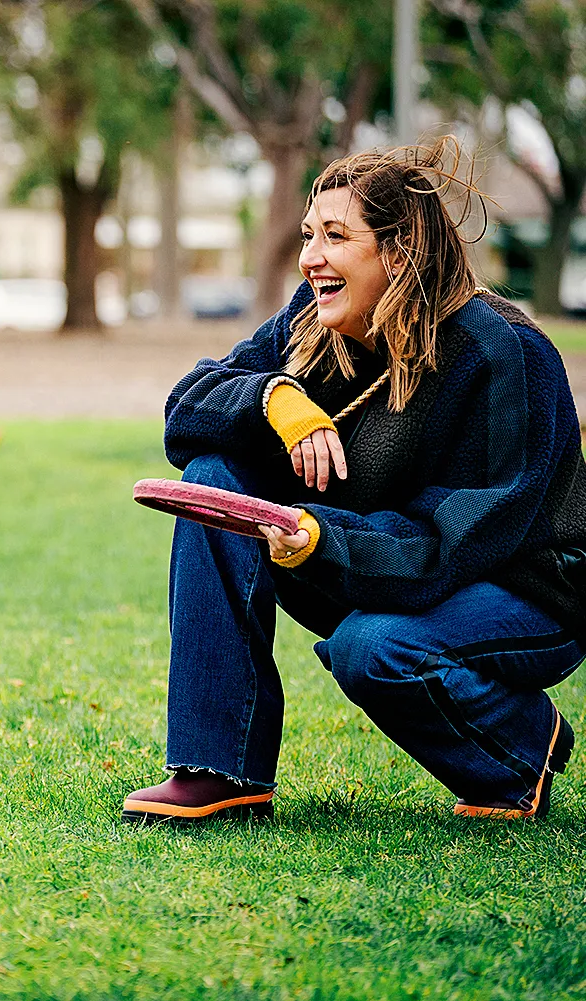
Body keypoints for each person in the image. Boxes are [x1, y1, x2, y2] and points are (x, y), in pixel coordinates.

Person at [122, 138, 586, 825]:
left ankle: (520, 749)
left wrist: (318, 536)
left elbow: (453, 543)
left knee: (372, 646)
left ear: (398, 253)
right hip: (377, 560)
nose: (311, 257)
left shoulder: (505, 352)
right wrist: (276, 399)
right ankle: (218, 770)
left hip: (526, 589)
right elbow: (187, 410)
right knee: (215, 478)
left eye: (336, 236)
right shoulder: (311, 324)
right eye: (310, 234)